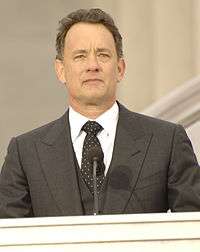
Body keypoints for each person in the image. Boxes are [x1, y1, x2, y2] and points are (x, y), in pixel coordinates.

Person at [0, 8, 200, 218]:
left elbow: (194, 228)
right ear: (61, 70)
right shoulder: (26, 153)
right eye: (80, 56)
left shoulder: (167, 142)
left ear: (120, 68)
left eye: (103, 55)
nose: (92, 66)